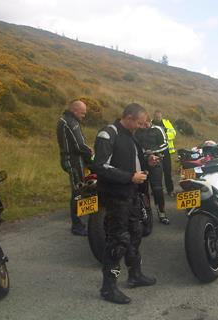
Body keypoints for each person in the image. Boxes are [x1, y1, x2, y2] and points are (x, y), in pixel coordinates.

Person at [92, 103, 159, 304]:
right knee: (117, 241)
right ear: (128, 117)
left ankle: (135, 275)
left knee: (135, 235)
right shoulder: (108, 134)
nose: (140, 126)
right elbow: (99, 166)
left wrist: (149, 162)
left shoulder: (131, 135)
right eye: (139, 122)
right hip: (115, 196)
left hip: (131, 195)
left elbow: (134, 161)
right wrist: (130, 177)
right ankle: (108, 287)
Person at [56, 100, 93, 236]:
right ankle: (77, 226)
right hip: (74, 161)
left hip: (73, 160)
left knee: (82, 189)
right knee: (78, 192)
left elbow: (78, 143)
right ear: (75, 110)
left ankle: (83, 218)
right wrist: (91, 154)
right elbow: (79, 146)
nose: (84, 116)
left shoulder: (67, 120)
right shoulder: (70, 122)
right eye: (82, 113)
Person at [135, 119, 170, 224]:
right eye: (142, 123)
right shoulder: (137, 131)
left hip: (156, 161)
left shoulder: (157, 129)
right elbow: (134, 145)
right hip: (142, 162)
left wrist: (153, 152)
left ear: (150, 121)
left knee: (157, 188)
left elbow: (165, 144)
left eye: (146, 123)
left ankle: (162, 213)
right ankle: (145, 213)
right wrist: (144, 153)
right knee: (142, 189)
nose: (144, 125)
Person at [152, 110, 176, 197]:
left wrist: (165, 133)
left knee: (167, 171)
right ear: (153, 116)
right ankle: (156, 190)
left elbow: (173, 133)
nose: (158, 118)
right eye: (156, 117)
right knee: (156, 172)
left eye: (159, 117)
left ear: (161, 116)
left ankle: (170, 190)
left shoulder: (167, 123)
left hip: (166, 150)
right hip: (155, 152)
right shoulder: (150, 124)